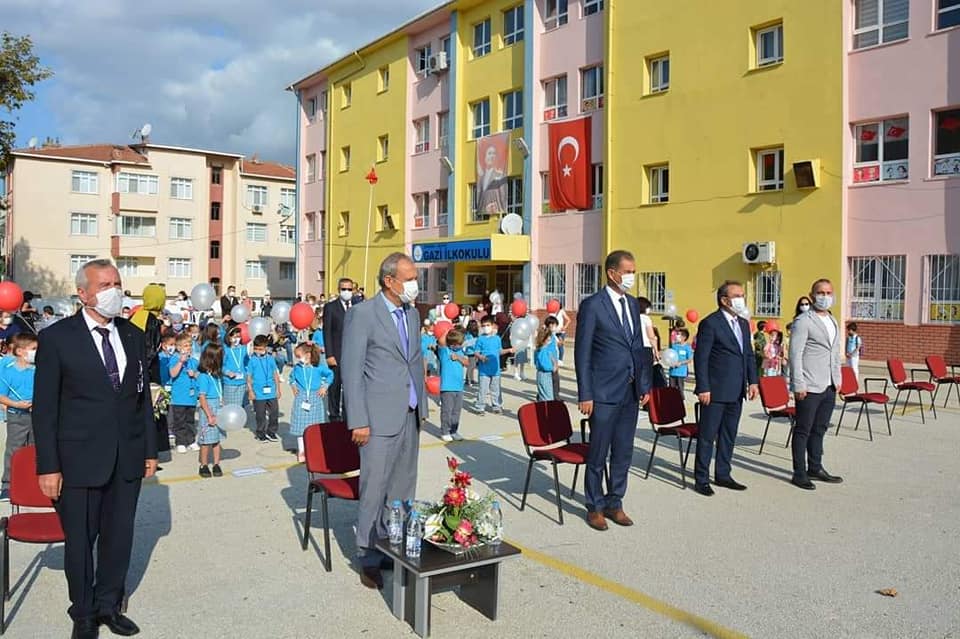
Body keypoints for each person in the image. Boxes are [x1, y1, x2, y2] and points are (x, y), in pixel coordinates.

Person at [32, 259, 157, 638]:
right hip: (77, 460)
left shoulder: (133, 336)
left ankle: (109, 605)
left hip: (127, 458)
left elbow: (142, 400)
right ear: (83, 293)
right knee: (80, 542)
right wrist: (48, 466)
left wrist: (150, 450)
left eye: (117, 282)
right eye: (104, 284)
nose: (113, 290)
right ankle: (83, 613)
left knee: (120, 538)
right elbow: (46, 408)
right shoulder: (57, 339)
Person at [341, 252, 425, 590]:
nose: (414, 285)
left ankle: (394, 546)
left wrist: (422, 407)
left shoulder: (412, 314)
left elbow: (414, 361)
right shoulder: (363, 315)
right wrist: (358, 420)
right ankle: (368, 556)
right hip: (375, 420)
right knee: (374, 488)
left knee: (403, 488)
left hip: (409, 413)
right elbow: (351, 370)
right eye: (409, 278)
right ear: (389, 281)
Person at [575, 250, 652, 531]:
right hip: (603, 392)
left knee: (623, 452)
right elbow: (582, 352)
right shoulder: (593, 305)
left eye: (634, 270)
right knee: (598, 453)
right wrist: (585, 393)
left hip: (630, 391)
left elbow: (638, 346)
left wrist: (644, 384)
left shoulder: (632, 304)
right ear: (612, 272)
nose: (632, 276)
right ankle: (594, 505)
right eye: (628, 271)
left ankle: (614, 501)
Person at [692, 281, 759, 497]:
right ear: (724, 300)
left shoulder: (742, 323)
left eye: (742, 295)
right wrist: (703, 386)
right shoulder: (710, 323)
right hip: (715, 390)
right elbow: (700, 358)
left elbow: (748, 354)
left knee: (729, 434)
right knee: (707, 435)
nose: (741, 299)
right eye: (737, 295)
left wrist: (753, 381)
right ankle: (701, 478)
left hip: (736, 389)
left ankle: (723, 473)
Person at [788, 279, 844, 490]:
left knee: (820, 428)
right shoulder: (804, 320)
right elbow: (795, 354)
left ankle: (815, 466)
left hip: (828, 385)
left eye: (828, 292)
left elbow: (834, 353)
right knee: (803, 429)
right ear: (812, 296)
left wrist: (837, 379)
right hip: (809, 385)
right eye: (820, 292)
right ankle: (799, 472)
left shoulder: (832, 319)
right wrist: (798, 383)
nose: (825, 296)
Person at [0, 333, 37, 501]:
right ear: (21, 351)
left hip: (36, 415)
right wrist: (16, 405)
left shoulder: (39, 369)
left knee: (35, 449)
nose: (36, 352)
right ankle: (7, 485)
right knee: (14, 450)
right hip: (17, 416)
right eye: (33, 349)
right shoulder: (8, 371)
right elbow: (2, 395)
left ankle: (32, 482)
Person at [289, 342, 333, 462]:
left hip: (315, 398)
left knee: (314, 426)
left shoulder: (319, 367)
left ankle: (314, 449)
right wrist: (293, 386)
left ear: (308, 354)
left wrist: (324, 387)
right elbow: (291, 378)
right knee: (300, 426)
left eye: (299, 356)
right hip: (301, 398)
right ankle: (301, 450)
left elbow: (330, 375)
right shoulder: (297, 368)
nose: (298, 359)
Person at [323, 277, 354, 421]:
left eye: (349, 289)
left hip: (354, 356)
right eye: (344, 289)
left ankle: (349, 416)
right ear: (338, 289)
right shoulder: (330, 307)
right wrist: (329, 354)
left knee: (351, 388)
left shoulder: (358, 306)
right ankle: (334, 415)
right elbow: (327, 332)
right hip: (336, 354)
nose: (346, 291)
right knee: (335, 387)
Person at [196, 343, 225, 478]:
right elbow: (202, 398)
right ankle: (204, 464)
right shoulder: (203, 377)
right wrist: (209, 415)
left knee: (217, 439)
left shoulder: (216, 376)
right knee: (206, 440)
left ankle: (217, 463)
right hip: (208, 408)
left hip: (218, 406)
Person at [474, 315, 513, 415]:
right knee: (483, 389)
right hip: (484, 370)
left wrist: (509, 350)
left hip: (495, 369)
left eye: (488, 325)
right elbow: (476, 352)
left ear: (492, 326)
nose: (486, 327)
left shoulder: (497, 339)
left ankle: (496, 406)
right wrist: (481, 357)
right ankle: (480, 407)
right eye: (483, 326)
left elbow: (499, 351)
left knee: (496, 389)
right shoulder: (480, 339)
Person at [169, 332, 200, 453]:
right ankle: (180, 442)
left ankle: (191, 440)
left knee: (190, 420)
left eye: (190, 345)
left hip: (191, 397)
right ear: (179, 347)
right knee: (180, 420)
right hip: (179, 397)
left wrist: (195, 374)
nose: (188, 348)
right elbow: (173, 373)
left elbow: (199, 375)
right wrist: (181, 362)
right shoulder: (175, 359)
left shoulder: (193, 360)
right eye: (186, 345)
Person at [247, 335, 281, 442]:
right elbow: (248, 377)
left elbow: (275, 374)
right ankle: (260, 433)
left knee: (274, 412)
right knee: (260, 414)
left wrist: (278, 389)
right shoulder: (252, 360)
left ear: (266, 347)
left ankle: (271, 432)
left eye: (260, 349)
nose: (258, 351)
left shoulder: (270, 359)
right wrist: (251, 391)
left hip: (271, 391)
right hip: (258, 393)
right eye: (256, 348)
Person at [438, 328, 468, 442]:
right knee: (447, 410)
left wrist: (459, 358)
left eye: (460, 344)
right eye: (457, 344)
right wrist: (448, 330)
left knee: (456, 411)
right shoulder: (445, 351)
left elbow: (467, 363)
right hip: (447, 387)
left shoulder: (460, 352)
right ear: (452, 344)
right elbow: (441, 341)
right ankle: (445, 431)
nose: (459, 346)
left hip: (459, 387)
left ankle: (454, 431)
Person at [222, 326, 248, 407]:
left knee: (240, 406)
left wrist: (248, 374)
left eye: (239, 336)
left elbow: (247, 363)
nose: (237, 339)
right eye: (235, 337)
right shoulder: (225, 350)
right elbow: (220, 365)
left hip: (242, 382)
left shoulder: (243, 349)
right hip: (230, 382)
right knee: (229, 406)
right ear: (229, 337)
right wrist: (227, 372)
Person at [534, 326, 557, 402]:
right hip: (545, 374)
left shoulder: (539, 349)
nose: (550, 340)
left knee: (543, 395)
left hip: (541, 374)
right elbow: (545, 366)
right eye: (549, 339)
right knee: (547, 396)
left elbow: (535, 362)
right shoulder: (543, 350)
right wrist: (553, 367)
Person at [668, 328, 693, 397]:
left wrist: (681, 363)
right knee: (671, 390)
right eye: (677, 334)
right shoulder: (674, 346)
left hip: (681, 373)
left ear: (684, 337)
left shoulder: (687, 347)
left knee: (680, 390)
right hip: (672, 372)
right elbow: (670, 355)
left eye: (679, 335)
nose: (677, 336)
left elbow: (690, 359)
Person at [544, 315, 562, 398]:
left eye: (555, 325)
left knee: (554, 380)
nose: (555, 327)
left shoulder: (553, 335)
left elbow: (557, 345)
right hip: (550, 362)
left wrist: (560, 342)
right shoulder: (548, 337)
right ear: (549, 325)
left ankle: (553, 395)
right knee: (554, 380)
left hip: (555, 360)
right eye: (554, 325)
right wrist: (554, 363)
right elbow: (547, 351)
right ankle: (556, 397)